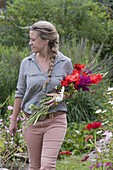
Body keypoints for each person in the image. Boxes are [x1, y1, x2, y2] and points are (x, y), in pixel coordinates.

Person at [9, 20, 73, 170]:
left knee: (47, 166)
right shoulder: (26, 63)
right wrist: (13, 120)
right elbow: (20, 92)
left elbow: (72, 89)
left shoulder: (65, 62)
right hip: (31, 122)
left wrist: (62, 97)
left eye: (33, 39)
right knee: (35, 166)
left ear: (45, 41)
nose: (29, 43)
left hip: (55, 120)